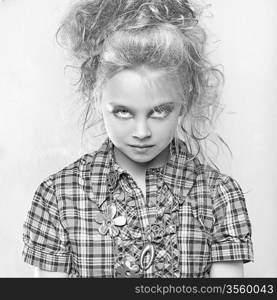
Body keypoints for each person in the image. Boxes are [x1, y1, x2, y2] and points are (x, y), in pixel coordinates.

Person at [22, 0, 254, 278]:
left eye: (159, 111)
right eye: (123, 112)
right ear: (96, 98)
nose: (141, 132)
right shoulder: (57, 197)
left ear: (185, 101)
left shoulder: (219, 196)